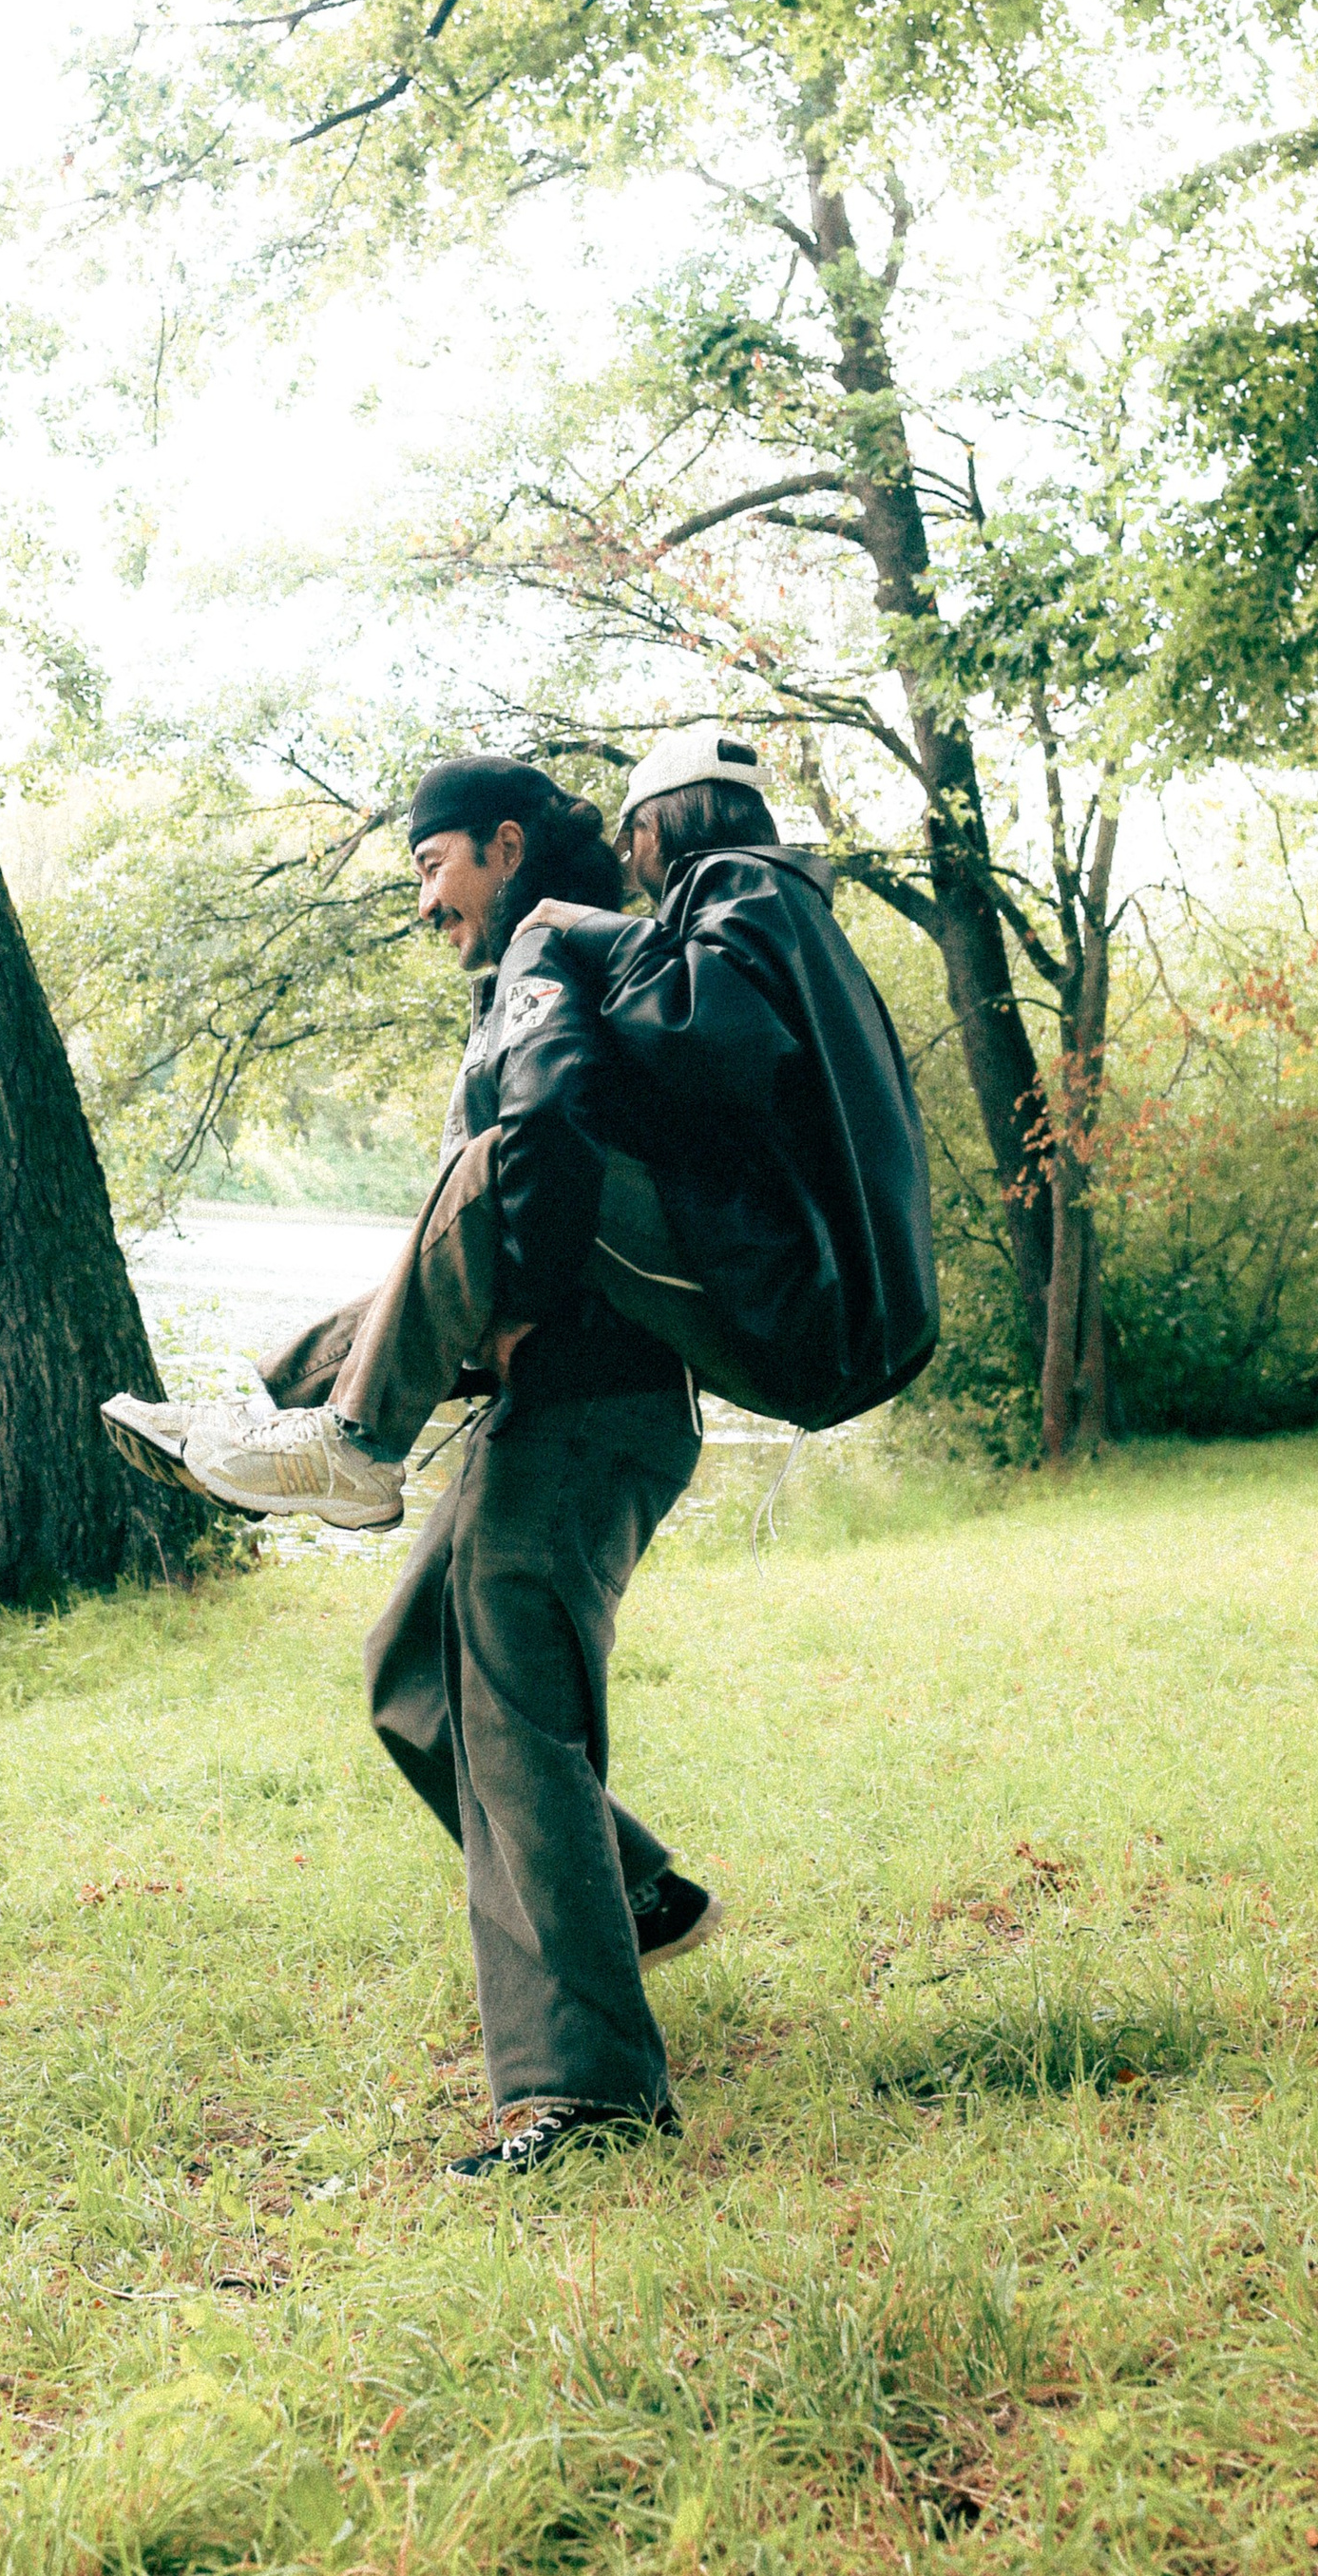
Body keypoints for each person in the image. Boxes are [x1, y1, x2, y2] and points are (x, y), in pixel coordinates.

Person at [104, 730, 936, 2180]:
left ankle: (588, 2086)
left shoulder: (605, 957)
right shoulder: (575, 966)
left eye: (431, 864)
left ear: (498, 843)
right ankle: (633, 1894)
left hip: (601, 1407)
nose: (424, 899)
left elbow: (552, 1182)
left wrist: (548, 1018)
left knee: (510, 1702)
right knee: (414, 1679)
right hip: (541, 1394)